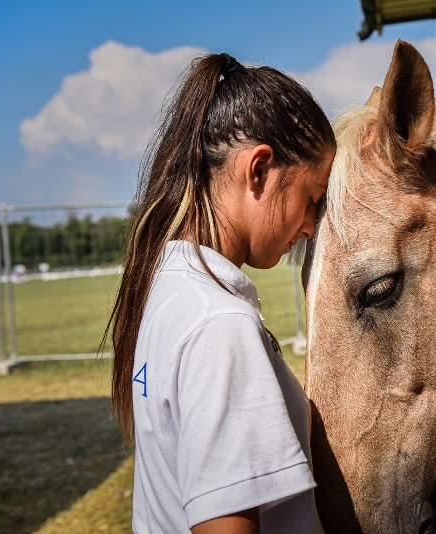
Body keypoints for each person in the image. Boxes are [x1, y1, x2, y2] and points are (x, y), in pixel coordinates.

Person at [103, 52, 335, 534]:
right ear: (259, 170)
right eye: (312, 199)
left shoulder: (168, 291)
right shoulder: (219, 324)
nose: (313, 226)